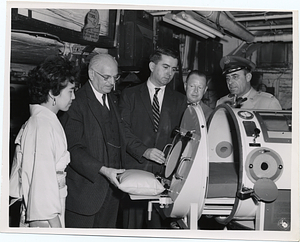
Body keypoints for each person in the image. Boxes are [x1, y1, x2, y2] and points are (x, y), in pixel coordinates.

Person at [119, 47, 187, 229]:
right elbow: (122, 131)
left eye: (173, 69)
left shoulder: (180, 100)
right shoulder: (130, 95)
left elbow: (182, 138)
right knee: (131, 231)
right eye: (165, 67)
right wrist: (144, 151)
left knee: (158, 231)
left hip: (165, 177)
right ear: (151, 66)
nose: (170, 73)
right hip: (135, 172)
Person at [59, 53, 126, 228]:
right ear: (91, 74)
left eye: (115, 77)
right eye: (106, 77)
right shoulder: (76, 102)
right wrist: (104, 170)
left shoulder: (112, 98)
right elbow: (73, 148)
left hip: (111, 197)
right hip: (84, 197)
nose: (112, 82)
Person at [9, 55, 77, 227]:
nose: (73, 97)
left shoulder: (47, 120)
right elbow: (41, 181)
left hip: (53, 206)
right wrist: (53, 223)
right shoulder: (42, 126)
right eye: (70, 91)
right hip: (45, 216)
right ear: (53, 93)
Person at [216, 55, 282, 110]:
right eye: (227, 78)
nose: (230, 82)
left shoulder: (268, 103)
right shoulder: (221, 103)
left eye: (235, 77)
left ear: (248, 77)